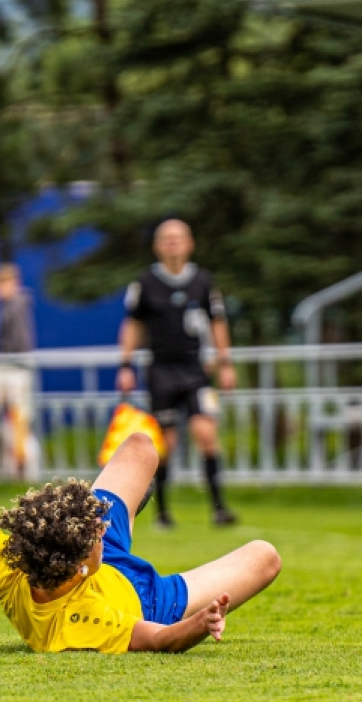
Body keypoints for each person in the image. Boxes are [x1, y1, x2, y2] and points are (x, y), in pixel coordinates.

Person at [0, 431, 281, 653]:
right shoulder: (79, 622)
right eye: (98, 534)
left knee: (140, 445)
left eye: (98, 527)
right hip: (150, 599)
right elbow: (159, 639)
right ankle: (127, 515)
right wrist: (199, 623)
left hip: (104, 562)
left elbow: (92, 539)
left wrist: (90, 529)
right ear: (75, 565)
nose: (103, 531)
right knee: (266, 556)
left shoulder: (14, 562)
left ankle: (123, 515)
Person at [117, 219, 237, 528]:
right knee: (165, 444)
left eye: (179, 237)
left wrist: (225, 363)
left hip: (196, 371)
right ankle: (163, 513)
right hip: (161, 371)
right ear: (157, 246)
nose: (173, 243)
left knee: (206, 434)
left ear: (190, 243)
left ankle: (219, 508)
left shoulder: (203, 281)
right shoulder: (145, 283)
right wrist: (126, 364)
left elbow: (218, 322)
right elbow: (132, 324)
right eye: (166, 238)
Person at [0, 263, 34, 353]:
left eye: (3, 283)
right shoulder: (6, 306)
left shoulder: (15, 307)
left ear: (15, 283)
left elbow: (19, 338)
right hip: (11, 359)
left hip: (15, 361)